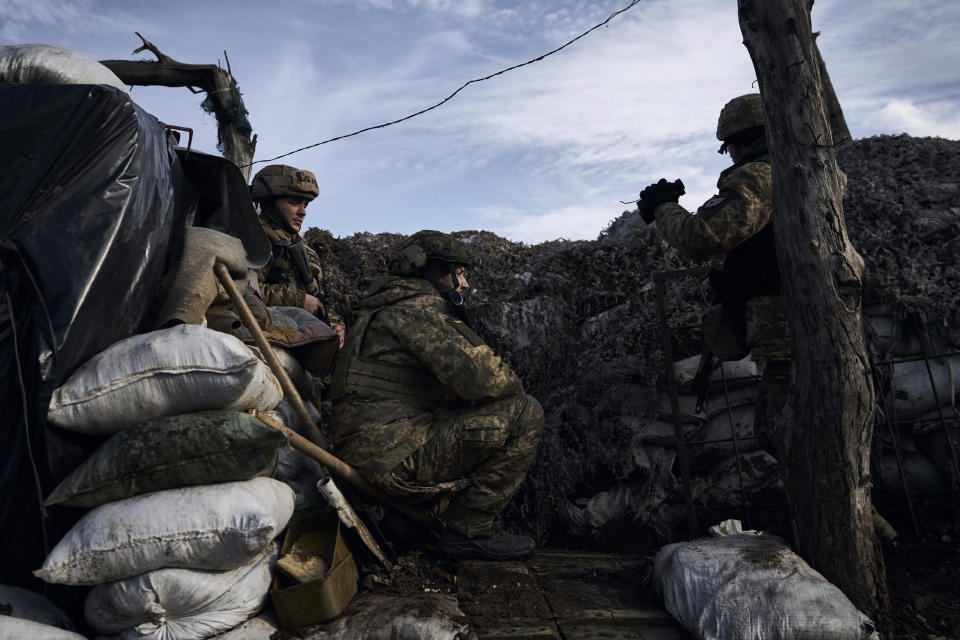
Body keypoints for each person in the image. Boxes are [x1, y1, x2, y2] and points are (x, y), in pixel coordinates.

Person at [329, 230, 544, 560]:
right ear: (429, 270)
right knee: (525, 413)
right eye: (458, 273)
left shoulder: (379, 308)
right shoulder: (422, 310)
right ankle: (467, 532)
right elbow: (488, 380)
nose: (465, 284)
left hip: (370, 453)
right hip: (393, 457)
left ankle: (407, 524)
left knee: (449, 417)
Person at [638, 93, 790, 457]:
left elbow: (701, 237)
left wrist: (663, 207)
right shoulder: (794, 170)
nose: (732, 157)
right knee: (786, 441)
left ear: (744, 141)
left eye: (730, 149)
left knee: (794, 444)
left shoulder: (761, 175)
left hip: (793, 337)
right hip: (796, 334)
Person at [250, 164, 344, 345]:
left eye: (305, 204)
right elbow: (242, 291)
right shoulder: (255, 238)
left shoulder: (302, 247)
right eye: (294, 203)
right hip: (268, 335)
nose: (303, 212)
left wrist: (334, 323)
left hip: (302, 335)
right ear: (270, 203)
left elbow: (318, 297)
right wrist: (298, 300)